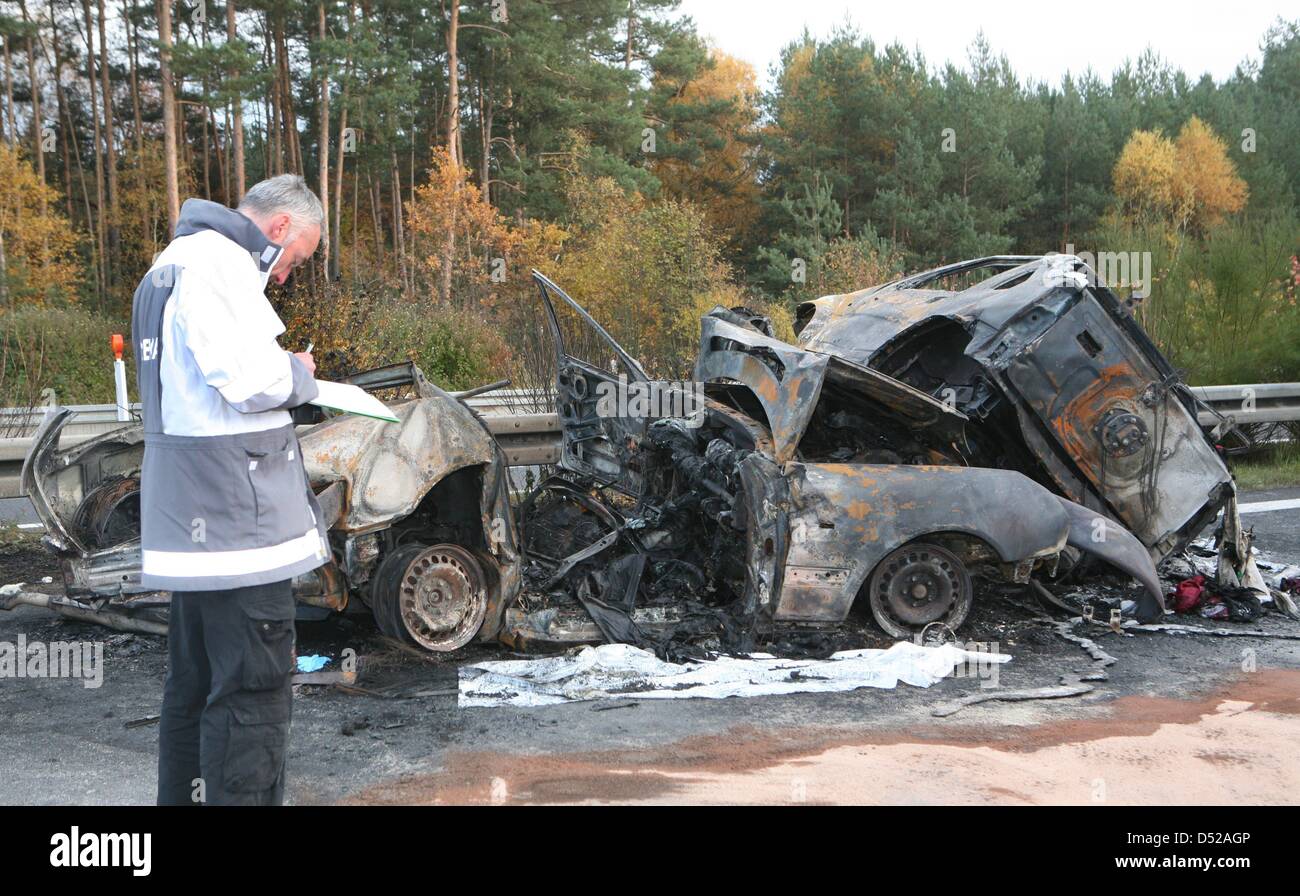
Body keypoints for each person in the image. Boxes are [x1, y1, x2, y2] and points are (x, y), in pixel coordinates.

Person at [131, 174, 327, 805]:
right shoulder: (219, 267)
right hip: (240, 535)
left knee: (195, 689)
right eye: (296, 260)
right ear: (279, 229)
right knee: (251, 699)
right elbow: (250, 381)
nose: (288, 276)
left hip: (198, 533)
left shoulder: (172, 263)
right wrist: (299, 375)